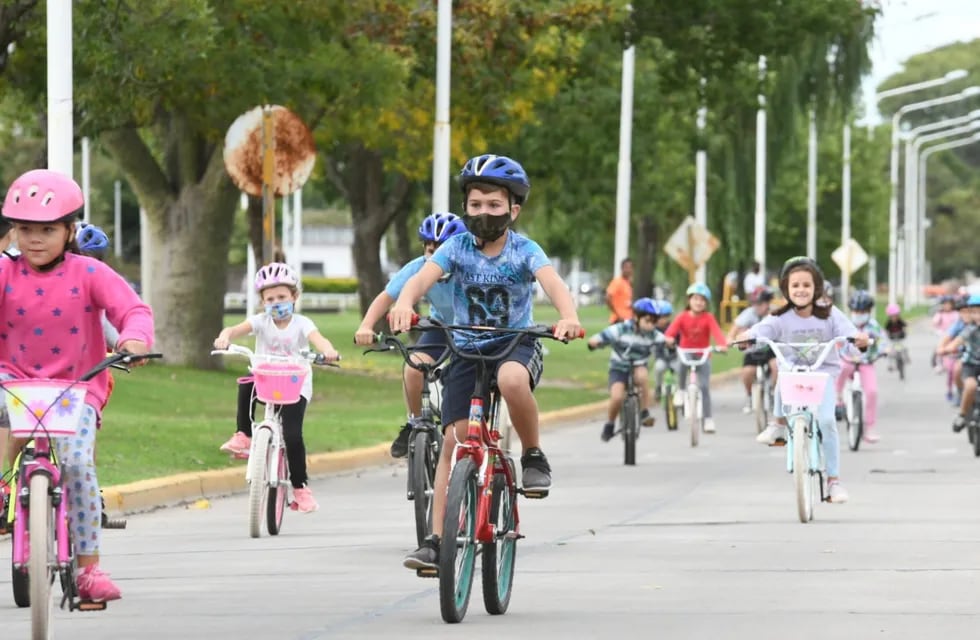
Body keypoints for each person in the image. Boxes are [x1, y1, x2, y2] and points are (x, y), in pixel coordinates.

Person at [387, 153, 582, 571]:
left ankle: (532, 455)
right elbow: (421, 278)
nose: (484, 213)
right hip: (467, 349)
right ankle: (436, 542)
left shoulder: (525, 250)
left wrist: (568, 317)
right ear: (466, 207)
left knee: (512, 381)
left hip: (515, 343)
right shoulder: (455, 247)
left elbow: (553, 283)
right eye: (475, 205)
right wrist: (405, 302)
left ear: (513, 208)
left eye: (494, 205)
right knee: (453, 444)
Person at [0, 169, 155, 601]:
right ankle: (1, 486)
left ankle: (89, 570)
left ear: (70, 230)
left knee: (78, 465)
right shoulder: (4, 273)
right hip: (12, 379)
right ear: (13, 230)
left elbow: (133, 310)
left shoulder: (88, 272)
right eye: (24, 228)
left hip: (77, 387)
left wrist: (134, 338)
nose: (34, 239)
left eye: (47, 229)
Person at [739, 257, 868, 504]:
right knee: (781, 373)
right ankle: (777, 424)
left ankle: (833, 482)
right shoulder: (779, 317)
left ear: (816, 288)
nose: (800, 290)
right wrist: (748, 336)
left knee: (827, 421)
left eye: (806, 285)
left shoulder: (830, 314)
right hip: (793, 372)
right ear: (786, 288)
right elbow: (760, 331)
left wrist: (858, 338)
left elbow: (849, 331)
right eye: (795, 285)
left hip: (824, 374)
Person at [213, 262, 340, 513]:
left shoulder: (302, 323)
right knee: (246, 384)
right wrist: (225, 337)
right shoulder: (260, 322)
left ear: (294, 297)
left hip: (296, 383)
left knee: (292, 435)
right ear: (262, 302)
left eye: (282, 297)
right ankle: (244, 435)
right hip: (266, 378)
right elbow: (234, 329)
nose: (276, 303)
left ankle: (301, 489)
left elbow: (319, 339)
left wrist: (327, 351)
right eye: (269, 298)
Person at [354, 212, 467, 458]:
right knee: (413, 367)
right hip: (439, 326)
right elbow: (387, 297)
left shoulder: (472, 267)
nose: (434, 255)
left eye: (441, 249)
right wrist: (366, 325)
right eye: (429, 248)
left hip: (471, 328)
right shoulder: (417, 268)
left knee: (464, 378)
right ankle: (414, 423)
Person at [589, 297, 665, 442]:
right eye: (648, 320)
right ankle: (610, 424)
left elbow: (665, 340)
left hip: (638, 365)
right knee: (617, 397)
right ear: (636, 317)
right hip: (618, 367)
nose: (651, 325)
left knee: (642, 376)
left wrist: (670, 343)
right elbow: (603, 336)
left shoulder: (653, 334)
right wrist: (595, 342)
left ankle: (644, 412)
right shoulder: (622, 329)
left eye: (655, 322)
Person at [663, 283, 728, 433]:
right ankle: (680, 390)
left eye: (702, 300)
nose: (698, 303)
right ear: (689, 300)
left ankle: (708, 419)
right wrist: (669, 339)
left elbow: (717, 333)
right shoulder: (682, 317)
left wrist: (722, 345)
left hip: (703, 353)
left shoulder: (708, 318)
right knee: (680, 366)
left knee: (704, 387)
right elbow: (670, 332)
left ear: (706, 303)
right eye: (695, 299)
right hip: (686, 351)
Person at [835, 290, 884, 443]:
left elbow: (882, 341)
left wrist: (884, 350)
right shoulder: (845, 324)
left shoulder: (874, 327)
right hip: (847, 360)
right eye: (856, 311)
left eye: (863, 311)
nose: (859, 314)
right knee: (840, 370)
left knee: (872, 392)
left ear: (869, 312)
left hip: (866, 363)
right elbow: (837, 339)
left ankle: (869, 427)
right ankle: (838, 400)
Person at [727, 287, 777, 414]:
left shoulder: (775, 313)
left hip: (770, 349)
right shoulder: (749, 313)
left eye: (760, 304)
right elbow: (735, 328)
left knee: (776, 366)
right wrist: (730, 339)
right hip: (752, 350)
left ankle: (773, 392)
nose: (757, 307)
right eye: (754, 304)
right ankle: (749, 396)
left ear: (768, 303)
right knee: (747, 372)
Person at [938, 294, 980, 432]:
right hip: (971, 364)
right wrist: (946, 349)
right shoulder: (969, 328)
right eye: (974, 312)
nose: (977, 315)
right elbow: (957, 340)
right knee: (971, 385)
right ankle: (962, 414)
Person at [933, 295, 960, 398]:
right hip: (944, 339)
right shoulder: (940, 314)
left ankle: (956, 389)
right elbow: (935, 323)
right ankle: (938, 364)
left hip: (955, 340)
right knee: (938, 350)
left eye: (949, 304)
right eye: (945, 304)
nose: (947, 306)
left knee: (954, 370)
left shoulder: (956, 314)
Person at [652, 300, 679, 402]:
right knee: (658, 368)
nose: (661, 320)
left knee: (681, 370)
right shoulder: (653, 330)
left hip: (674, 357)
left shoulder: (675, 328)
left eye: (664, 317)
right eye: (659, 317)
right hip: (661, 358)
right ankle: (658, 388)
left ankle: (682, 391)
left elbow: (681, 341)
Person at [606, 257, 634, 324]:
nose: (628, 270)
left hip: (627, 319)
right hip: (618, 320)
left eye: (630, 267)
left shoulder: (627, 283)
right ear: (622, 268)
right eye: (626, 267)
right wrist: (617, 314)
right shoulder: (617, 282)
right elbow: (608, 297)